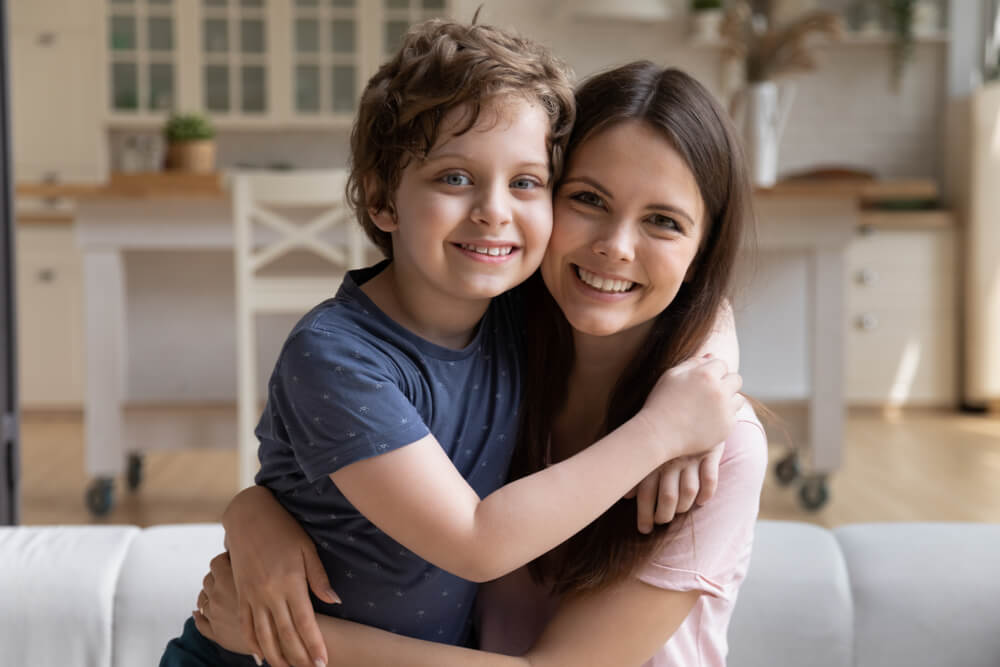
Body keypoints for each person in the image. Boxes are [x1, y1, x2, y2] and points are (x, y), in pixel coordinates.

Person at [159, 20, 743, 667]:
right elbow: (476, 540)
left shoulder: (510, 312)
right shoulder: (364, 350)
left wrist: (707, 379)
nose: (495, 210)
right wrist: (249, 510)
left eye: (525, 182)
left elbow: (689, 292)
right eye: (455, 178)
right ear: (383, 199)